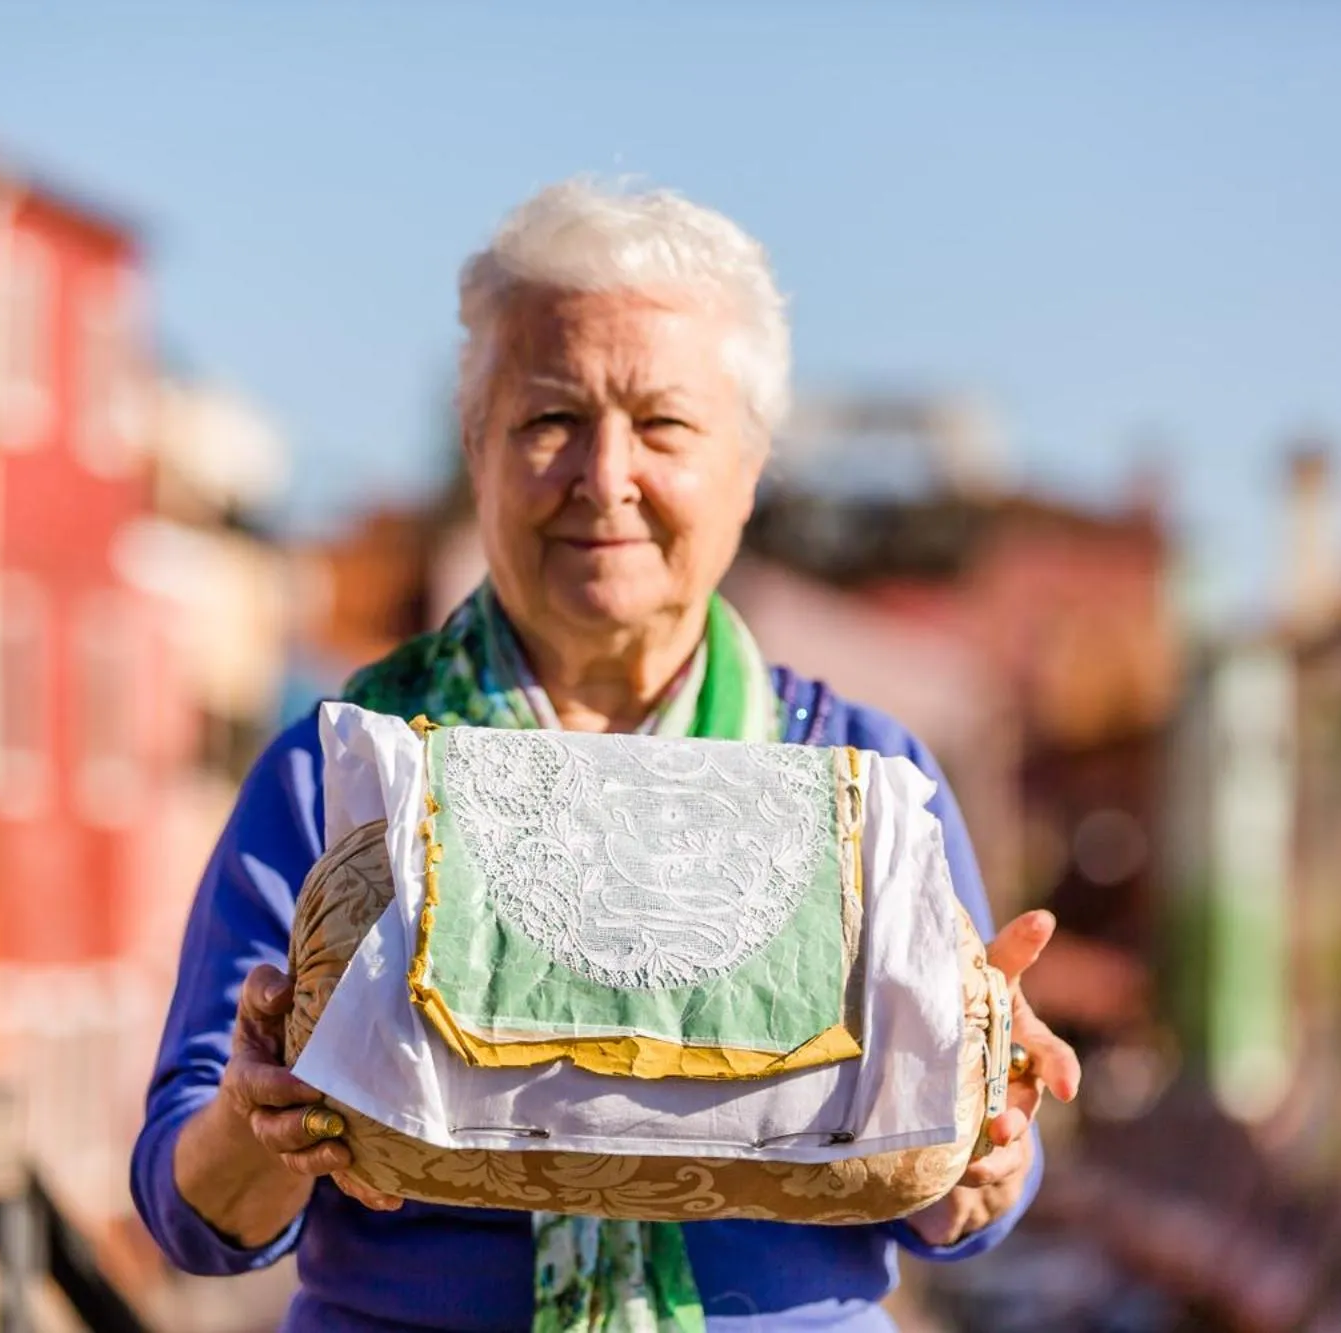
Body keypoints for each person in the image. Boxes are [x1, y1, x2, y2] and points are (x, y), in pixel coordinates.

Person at [131, 178, 1081, 1332]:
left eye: (664, 424)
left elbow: (967, 1210)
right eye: (547, 421)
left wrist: (985, 1130)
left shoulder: (864, 776)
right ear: (476, 448)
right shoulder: (341, 773)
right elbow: (191, 1214)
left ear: (749, 464)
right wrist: (257, 1116)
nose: (604, 475)